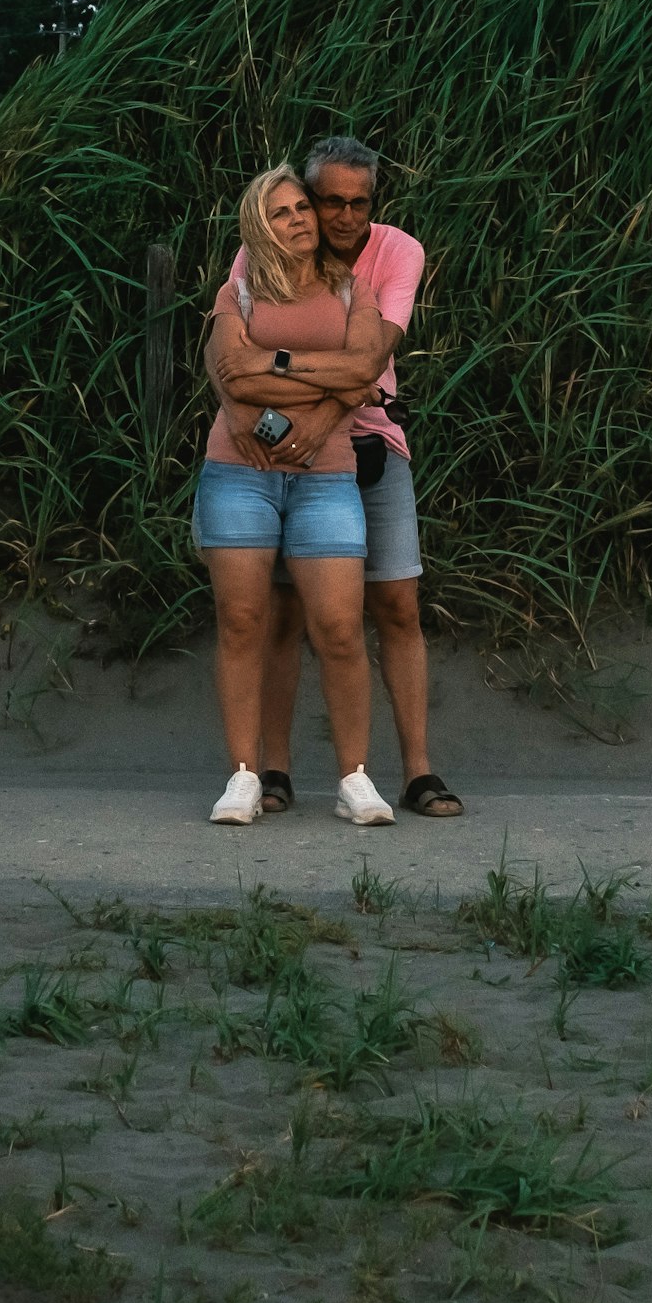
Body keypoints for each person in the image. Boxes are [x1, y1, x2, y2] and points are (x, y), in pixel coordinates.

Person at [220, 135, 466, 820]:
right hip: (279, 450)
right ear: (308, 196)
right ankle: (273, 770)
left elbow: (369, 361)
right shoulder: (265, 246)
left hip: (366, 444)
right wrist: (249, 407)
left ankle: (418, 771)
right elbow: (224, 350)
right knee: (282, 614)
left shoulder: (397, 252)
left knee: (397, 605)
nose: (346, 217)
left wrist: (312, 418)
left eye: (360, 202)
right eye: (331, 201)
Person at [193, 163, 400, 824]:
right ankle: (244, 777)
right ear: (259, 226)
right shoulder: (238, 295)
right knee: (243, 623)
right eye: (282, 213)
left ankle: (355, 780)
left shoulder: (350, 290)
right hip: (238, 474)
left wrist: (276, 362)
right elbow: (236, 378)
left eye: (302, 210)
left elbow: (367, 368)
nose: (300, 220)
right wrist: (324, 377)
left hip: (327, 478)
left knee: (339, 626)